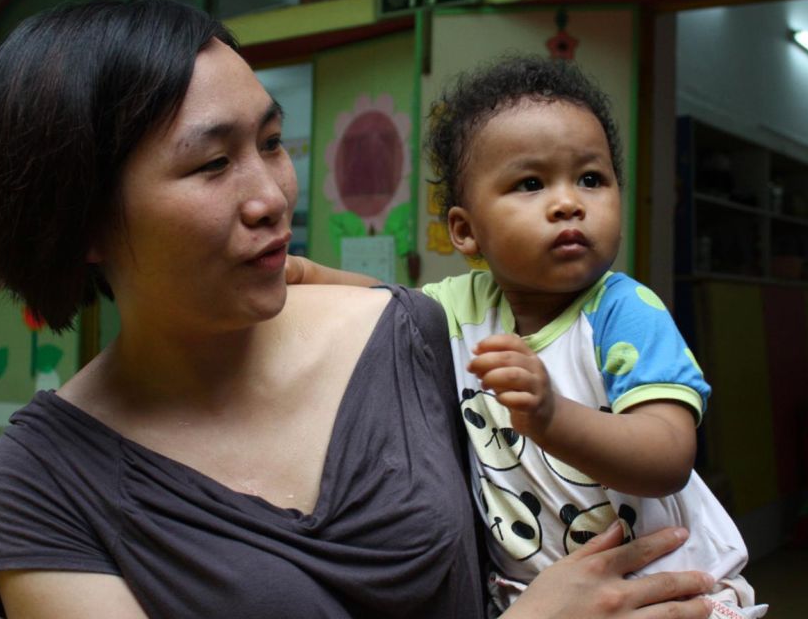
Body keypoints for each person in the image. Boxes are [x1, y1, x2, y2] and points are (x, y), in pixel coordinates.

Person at [0, 0, 718, 618]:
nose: (272, 197)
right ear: (82, 220)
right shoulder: (40, 483)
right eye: (213, 163)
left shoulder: (409, 335)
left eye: (272, 142)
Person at [290, 56, 767, 619]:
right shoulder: (464, 307)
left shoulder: (623, 312)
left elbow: (669, 455)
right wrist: (304, 275)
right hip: (538, 599)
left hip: (671, 586)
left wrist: (551, 415)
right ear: (466, 232)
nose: (569, 202)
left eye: (592, 178)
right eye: (531, 183)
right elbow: (382, 303)